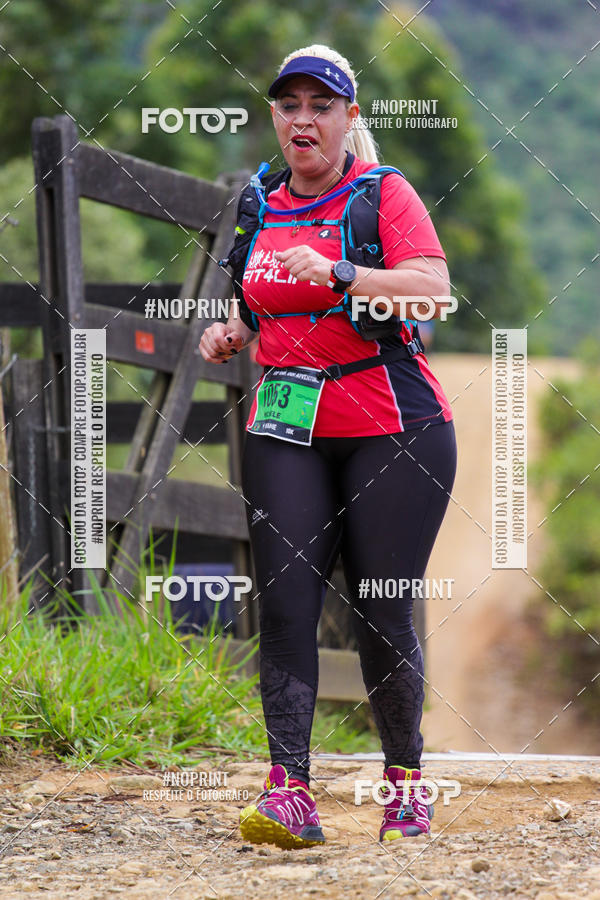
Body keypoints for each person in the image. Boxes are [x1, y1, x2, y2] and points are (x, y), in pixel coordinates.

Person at [199, 44, 457, 849]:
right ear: (274, 115)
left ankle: (406, 789)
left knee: (380, 608)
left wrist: (343, 270)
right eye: (289, 106)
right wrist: (232, 330)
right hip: (286, 422)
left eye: (321, 106)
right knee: (285, 602)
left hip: (394, 425)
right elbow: (256, 302)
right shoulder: (259, 200)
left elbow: (434, 290)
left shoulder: (382, 194)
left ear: (349, 117)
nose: (302, 120)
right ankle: (289, 796)